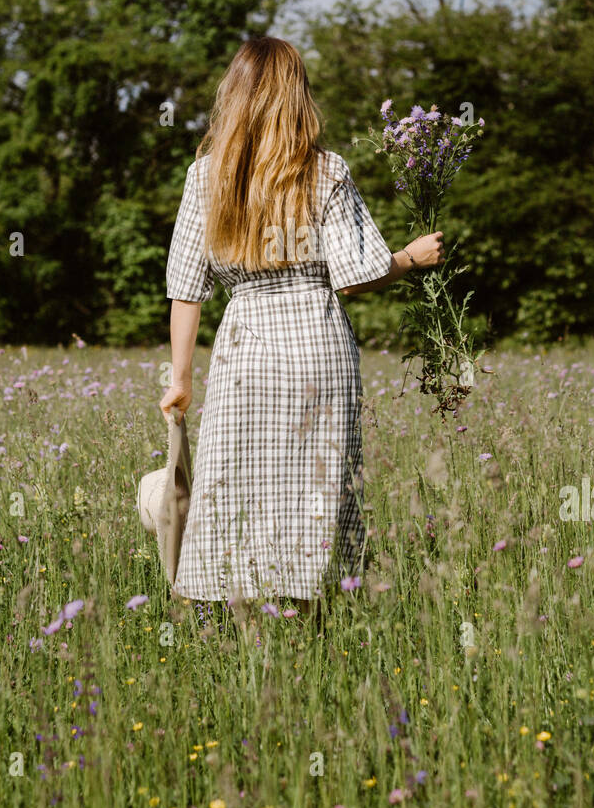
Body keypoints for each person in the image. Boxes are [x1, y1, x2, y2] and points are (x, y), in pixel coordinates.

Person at [159, 36, 443, 605]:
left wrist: (181, 379)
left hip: (245, 352)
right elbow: (355, 274)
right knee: (313, 488)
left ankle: (238, 609)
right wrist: (410, 258)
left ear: (233, 96)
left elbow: (186, 290)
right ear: (297, 95)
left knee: (237, 481)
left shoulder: (206, 177)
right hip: (317, 345)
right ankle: (311, 609)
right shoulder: (325, 171)